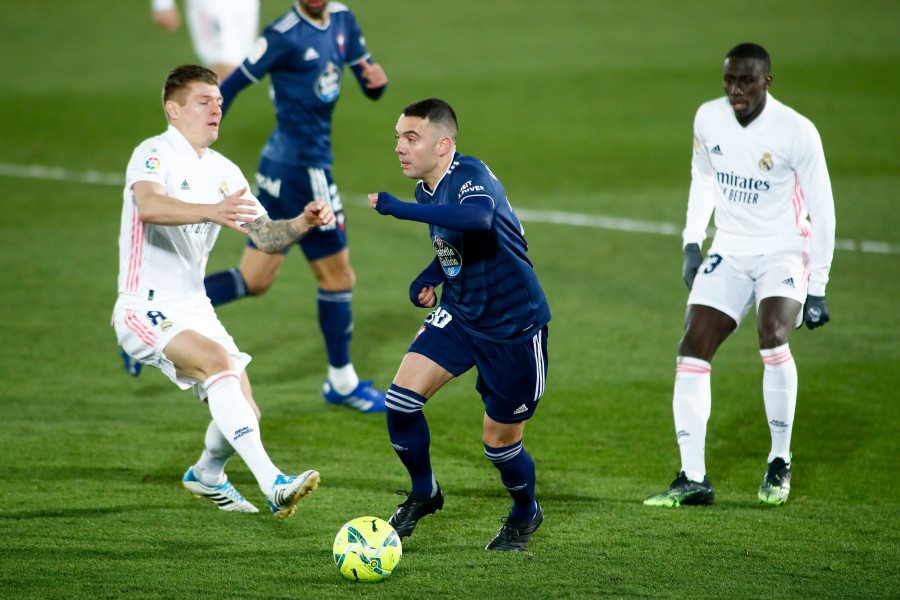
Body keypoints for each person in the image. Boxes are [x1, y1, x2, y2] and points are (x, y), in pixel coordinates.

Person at [112, 65, 333, 518]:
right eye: (203, 101)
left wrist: (303, 223)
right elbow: (150, 206)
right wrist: (211, 211)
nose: (217, 108)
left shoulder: (224, 171)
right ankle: (273, 483)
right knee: (217, 364)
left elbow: (266, 237)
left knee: (246, 412)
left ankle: (206, 474)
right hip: (143, 304)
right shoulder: (154, 153)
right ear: (173, 110)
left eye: (218, 100)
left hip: (195, 306)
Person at [643, 43, 836, 508]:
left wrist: (818, 287)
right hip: (729, 247)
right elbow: (703, 177)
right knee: (692, 346)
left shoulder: (797, 132)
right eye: (729, 80)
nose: (736, 90)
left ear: (767, 81)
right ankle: (693, 478)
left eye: (746, 81)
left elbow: (823, 209)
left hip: (784, 249)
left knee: (773, 337)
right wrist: (693, 240)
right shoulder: (708, 118)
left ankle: (779, 460)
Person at [368, 98, 551, 551]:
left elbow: (479, 217)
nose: (400, 148)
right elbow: (457, 242)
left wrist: (397, 209)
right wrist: (429, 277)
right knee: (400, 402)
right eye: (398, 137)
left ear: (443, 144)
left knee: (500, 447)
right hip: (462, 315)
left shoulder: (469, 176)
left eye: (411, 138)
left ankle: (526, 513)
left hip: (514, 327)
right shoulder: (427, 190)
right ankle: (424, 492)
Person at [201, 0, 389, 413]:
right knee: (338, 278)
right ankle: (342, 382)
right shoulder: (282, 34)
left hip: (278, 166)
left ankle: (174, 302)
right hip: (305, 171)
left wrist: (377, 83)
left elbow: (368, 80)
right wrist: (199, 144)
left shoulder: (343, 20)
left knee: (255, 279)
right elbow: (228, 87)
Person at [151, 0, 260, 82]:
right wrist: (162, 4)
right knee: (225, 68)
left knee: (239, 66)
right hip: (212, 5)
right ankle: (196, 111)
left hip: (246, 5)